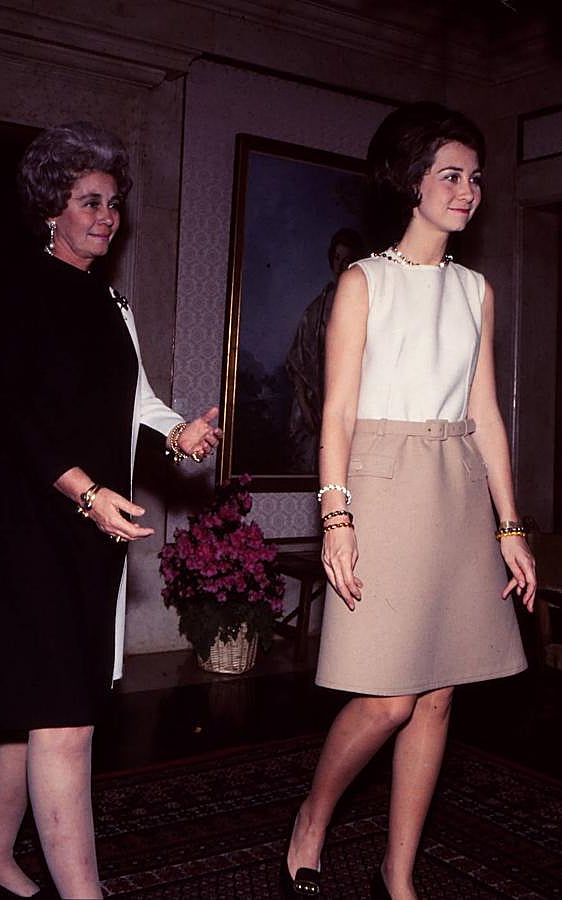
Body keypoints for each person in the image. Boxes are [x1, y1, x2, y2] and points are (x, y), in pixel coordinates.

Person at [0, 121, 222, 900]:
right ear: (51, 208)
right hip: (34, 522)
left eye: (113, 202)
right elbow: (13, 413)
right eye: (89, 201)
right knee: (66, 714)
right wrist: (87, 492)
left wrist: (178, 431)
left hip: (92, 525)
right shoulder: (17, 287)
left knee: (35, 702)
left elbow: (135, 399)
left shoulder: (110, 300)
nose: (107, 216)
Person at [281, 102, 536, 899]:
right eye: (451, 175)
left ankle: (399, 875)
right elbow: (337, 414)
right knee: (389, 699)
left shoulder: (476, 291)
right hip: (381, 487)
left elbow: (486, 412)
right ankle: (314, 818)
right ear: (411, 181)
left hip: (457, 487)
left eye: (476, 178)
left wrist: (511, 525)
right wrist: (336, 517)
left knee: (438, 696)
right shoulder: (365, 282)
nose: (468, 192)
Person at [285, 229, 364, 473]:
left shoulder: (368, 307)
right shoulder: (315, 310)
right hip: (316, 409)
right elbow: (298, 364)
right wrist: (307, 410)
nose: (342, 265)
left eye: (348, 259)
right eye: (337, 258)